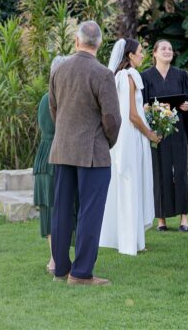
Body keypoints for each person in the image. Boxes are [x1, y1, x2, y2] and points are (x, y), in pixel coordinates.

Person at [49, 20, 121, 287]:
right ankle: (80, 274)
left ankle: (60, 269)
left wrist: (66, 134)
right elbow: (111, 119)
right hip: (92, 152)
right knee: (90, 212)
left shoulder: (59, 69)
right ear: (99, 44)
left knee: (62, 210)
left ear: (77, 42)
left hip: (62, 148)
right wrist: (107, 142)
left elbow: (53, 109)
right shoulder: (103, 74)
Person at [99, 38, 158, 256]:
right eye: (140, 52)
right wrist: (150, 133)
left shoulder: (118, 76)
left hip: (121, 140)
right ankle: (130, 242)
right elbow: (133, 115)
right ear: (130, 56)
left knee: (124, 184)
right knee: (132, 183)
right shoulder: (131, 75)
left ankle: (129, 239)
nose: (143, 55)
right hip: (132, 137)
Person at [142, 39, 188, 232]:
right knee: (160, 173)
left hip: (178, 131)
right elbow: (140, 104)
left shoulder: (182, 76)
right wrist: (147, 110)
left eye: (170, 48)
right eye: (163, 48)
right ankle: (161, 220)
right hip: (157, 134)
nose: (168, 51)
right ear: (155, 53)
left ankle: (184, 218)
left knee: (181, 173)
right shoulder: (145, 77)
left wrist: (187, 106)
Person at [33, 56, 70, 274]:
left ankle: (55, 258)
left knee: (50, 208)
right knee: (56, 208)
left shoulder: (45, 98)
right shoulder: (59, 100)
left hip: (44, 156)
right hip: (56, 156)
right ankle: (56, 259)